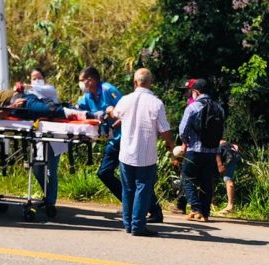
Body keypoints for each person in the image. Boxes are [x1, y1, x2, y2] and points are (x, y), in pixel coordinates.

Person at [77, 66, 165, 223]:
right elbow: (80, 111)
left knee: (138, 178)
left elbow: (126, 112)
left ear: (91, 80)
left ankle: (153, 210)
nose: (81, 84)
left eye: (82, 81)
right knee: (104, 173)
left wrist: (112, 124)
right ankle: (132, 206)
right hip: (113, 139)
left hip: (125, 137)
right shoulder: (87, 97)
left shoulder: (108, 90)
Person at [110, 68, 174, 236]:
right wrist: (171, 145)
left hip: (126, 153)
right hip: (146, 155)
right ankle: (138, 226)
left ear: (135, 82)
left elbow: (115, 114)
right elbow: (165, 131)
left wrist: (110, 110)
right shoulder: (156, 103)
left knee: (128, 189)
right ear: (150, 83)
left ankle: (128, 224)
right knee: (142, 189)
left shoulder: (125, 99)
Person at [178, 78, 224, 222]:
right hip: (212, 152)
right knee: (207, 183)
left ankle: (196, 209)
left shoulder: (193, 107)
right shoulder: (219, 108)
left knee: (188, 178)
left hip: (194, 150)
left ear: (196, 92)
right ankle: (205, 213)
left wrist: (186, 142)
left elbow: (182, 130)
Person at [27, 69, 64, 217]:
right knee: (37, 168)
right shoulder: (30, 95)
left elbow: (39, 89)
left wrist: (25, 86)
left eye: (39, 77)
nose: (36, 80)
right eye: (33, 78)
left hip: (54, 136)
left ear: (44, 79)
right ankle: (48, 195)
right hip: (38, 136)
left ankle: (51, 202)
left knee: (51, 171)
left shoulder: (49, 90)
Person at [0, 88, 96, 121]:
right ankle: (91, 115)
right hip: (19, 104)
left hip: (25, 97)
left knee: (54, 106)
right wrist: (12, 108)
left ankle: (87, 112)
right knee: (50, 110)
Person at [216, 139, 240, 215]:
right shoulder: (226, 143)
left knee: (227, 179)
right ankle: (230, 205)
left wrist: (220, 165)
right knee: (228, 178)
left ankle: (230, 206)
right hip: (234, 154)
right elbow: (236, 146)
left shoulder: (215, 141)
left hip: (228, 155)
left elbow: (216, 153)